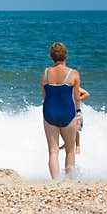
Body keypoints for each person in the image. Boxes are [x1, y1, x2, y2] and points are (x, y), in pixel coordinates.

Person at [41, 42, 82, 179]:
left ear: (51, 56)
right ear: (66, 55)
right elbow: (76, 97)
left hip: (49, 112)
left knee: (53, 151)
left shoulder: (46, 72)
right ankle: (70, 180)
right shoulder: (73, 73)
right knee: (70, 149)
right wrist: (79, 112)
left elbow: (44, 96)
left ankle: (55, 181)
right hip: (67, 112)